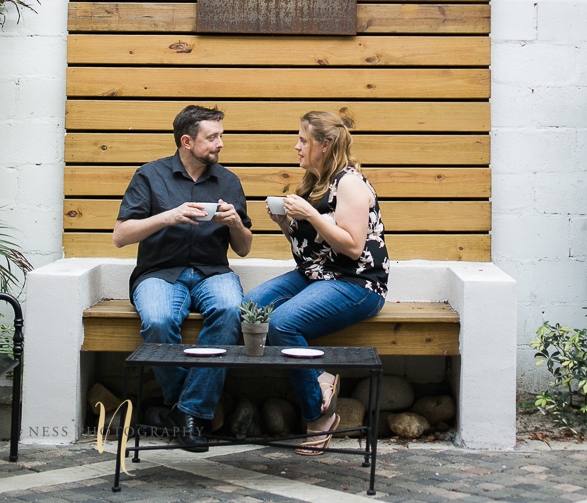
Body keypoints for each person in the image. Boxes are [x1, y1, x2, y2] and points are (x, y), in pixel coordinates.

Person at [244, 110, 389, 455]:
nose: (296, 147)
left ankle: (318, 416)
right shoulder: (314, 181)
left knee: (280, 324)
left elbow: (353, 248)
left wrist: (309, 214)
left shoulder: (349, 182)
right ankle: (321, 376)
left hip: (357, 282)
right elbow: (312, 248)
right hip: (317, 275)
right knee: (253, 309)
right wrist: (283, 223)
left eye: (303, 140)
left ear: (325, 145)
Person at [113, 104, 252, 452]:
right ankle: (190, 412)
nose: (220, 143)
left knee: (232, 311)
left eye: (221, 136)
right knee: (158, 321)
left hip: (212, 272)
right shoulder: (150, 176)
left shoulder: (228, 181)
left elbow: (244, 248)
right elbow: (121, 235)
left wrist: (235, 222)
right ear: (187, 142)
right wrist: (170, 216)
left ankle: (182, 412)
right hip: (159, 272)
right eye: (212, 137)